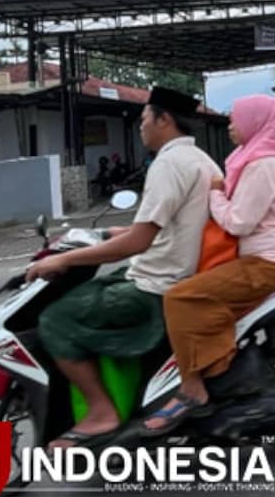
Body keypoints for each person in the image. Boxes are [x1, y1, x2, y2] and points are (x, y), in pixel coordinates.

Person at [25, 86, 221, 449]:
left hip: (155, 287)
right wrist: (107, 231)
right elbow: (163, 225)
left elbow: (137, 243)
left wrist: (63, 258)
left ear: (164, 120)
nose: (140, 127)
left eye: (144, 119)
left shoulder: (168, 164)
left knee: (56, 318)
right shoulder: (200, 160)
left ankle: (101, 412)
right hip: (170, 272)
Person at [141, 95, 275, 435]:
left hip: (270, 260)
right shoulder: (266, 158)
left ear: (257, 123)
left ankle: (193, 387)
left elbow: (238, 223)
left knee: (180, 297)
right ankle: (217, 366)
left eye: (237, 119)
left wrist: (215, 194)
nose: (231, 125)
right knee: (206, 296)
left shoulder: (263, 165)